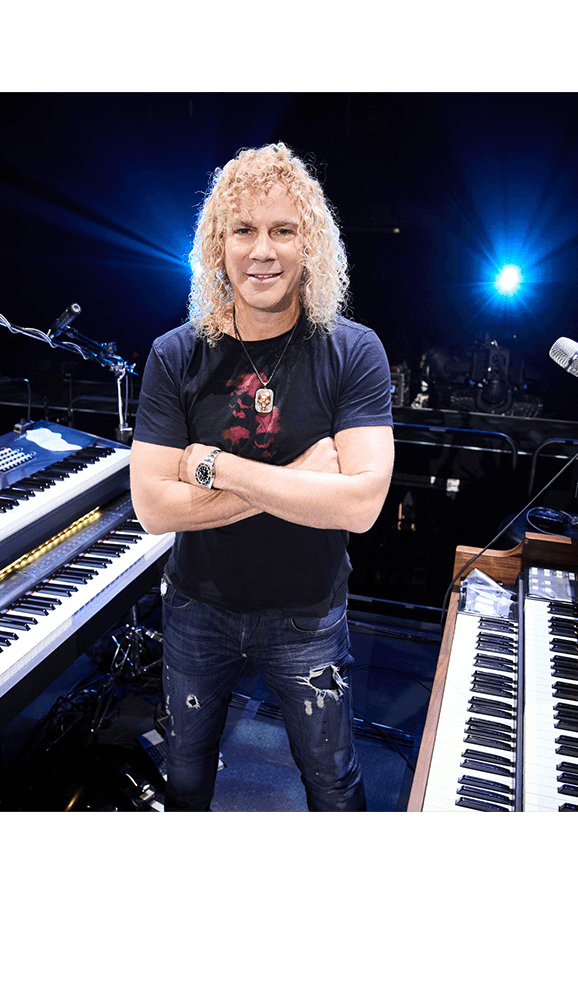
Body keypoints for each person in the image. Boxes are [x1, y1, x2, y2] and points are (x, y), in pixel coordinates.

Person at [129, 142, 394, 811]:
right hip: (196, 608)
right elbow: (155, 508)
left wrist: (217, 468)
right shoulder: (175, 354)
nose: (262, 251)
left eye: (283, 230)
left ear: (312, 245)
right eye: (243, 230)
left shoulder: (353, 350)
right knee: (185, 779)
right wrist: (304, 483)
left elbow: (360, 505)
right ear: (219, 245)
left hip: (308, 613)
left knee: (334, 784)